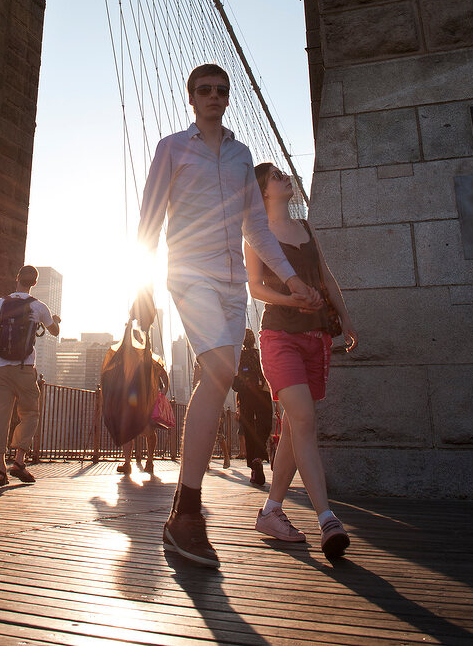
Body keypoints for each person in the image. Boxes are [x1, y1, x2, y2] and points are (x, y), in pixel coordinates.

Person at [138, 63, 318, 568]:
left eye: (222, 90)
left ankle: (181, 513)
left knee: (216, 382)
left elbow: (256, 230)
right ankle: (189, 511)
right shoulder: (172, 148)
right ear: (191, 98)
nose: (214, 96)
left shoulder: (242, 157)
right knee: (218, 371)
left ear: (227, 98)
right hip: (189, 274)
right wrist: (142, 284)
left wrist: (294, 281)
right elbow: (149, 218)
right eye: (205, 90)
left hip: (232, 284)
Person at [245, 162, 359, 561]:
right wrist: (290, 298)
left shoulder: (306, 228)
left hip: (316, 337)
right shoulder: (257, 235)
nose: (284, 178)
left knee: (296, 426)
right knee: (305, 422)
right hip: (279, 338)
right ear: (263, 192)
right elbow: (256, 287)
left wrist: (344, 317)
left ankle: (271, 512)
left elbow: (324, 276)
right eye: (276, 176)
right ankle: (327, 518)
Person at [0, 264, 60, 486]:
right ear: (34, 283)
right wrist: (55, 320)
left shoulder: (0, 303)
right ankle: (18, 462)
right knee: (30, 414)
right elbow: (53, 331)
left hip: (0, 369)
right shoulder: (38, 306)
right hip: (25, 369)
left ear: (17, 278)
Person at [233, 328, 273, 488]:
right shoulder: (260, 354)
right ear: (254, 340)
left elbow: (234, 380)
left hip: (245, 395)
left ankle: (254, 466)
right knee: (265, 425)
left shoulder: (237, 357)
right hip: (262, 393)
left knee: (248, 427)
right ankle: (258, 457)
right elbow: (269, 374)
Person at [117, 364, 169, 476]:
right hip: (132, 399)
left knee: (148, 430)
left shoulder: (152, 361)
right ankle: (128, 463)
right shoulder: (130, 359)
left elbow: (164, 375)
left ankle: (149, 461)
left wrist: (163, 393)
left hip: (148, 400)